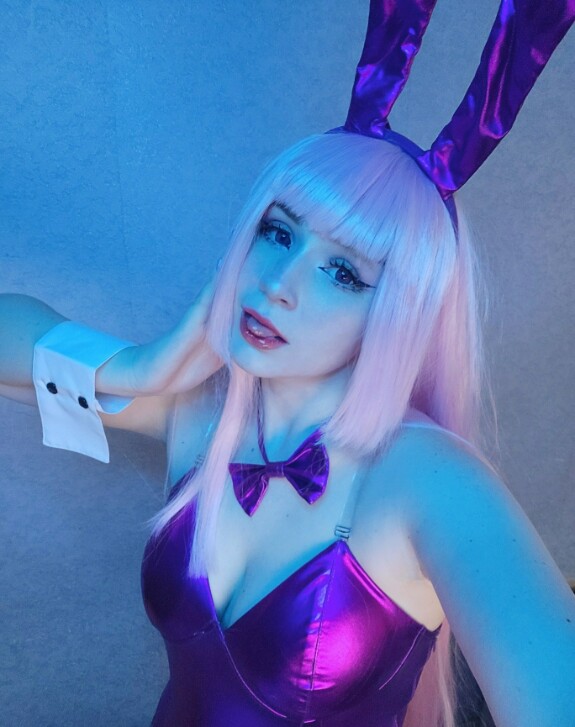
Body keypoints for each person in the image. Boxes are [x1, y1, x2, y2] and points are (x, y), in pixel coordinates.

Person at [1, 2, 575, 726]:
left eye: (343, 273)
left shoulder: (429, 479)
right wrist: (142, 368)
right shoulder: (199, 413)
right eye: (278, 233)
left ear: (395, 312)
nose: (278, 283)